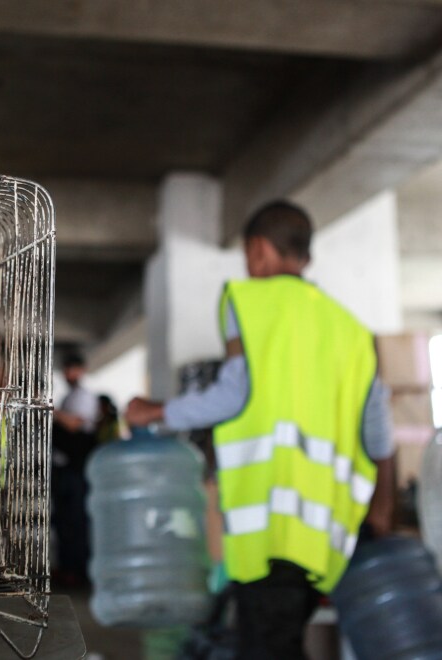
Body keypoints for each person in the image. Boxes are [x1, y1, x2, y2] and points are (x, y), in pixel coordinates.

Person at [126, 201, 395, 660]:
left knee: (268, 647)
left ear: (258, 251)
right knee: (280, 641)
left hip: (269, 527)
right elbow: (378, 435)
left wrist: (156, 412)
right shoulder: (351, 330)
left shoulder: (250, 304)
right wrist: (384, 508)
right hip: (325, 534)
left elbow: (234, 394)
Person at [52, 353, 100, 586]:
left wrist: (50, 410)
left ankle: (78, 571)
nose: (68, 374)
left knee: (75, 521)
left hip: (77, 469)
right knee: (64, 521)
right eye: (66, 368)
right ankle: (67, 568)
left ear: (81, 370)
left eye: (72, 369)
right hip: (66, 468)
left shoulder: (83, 397)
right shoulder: (70, 396)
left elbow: (75, 424)